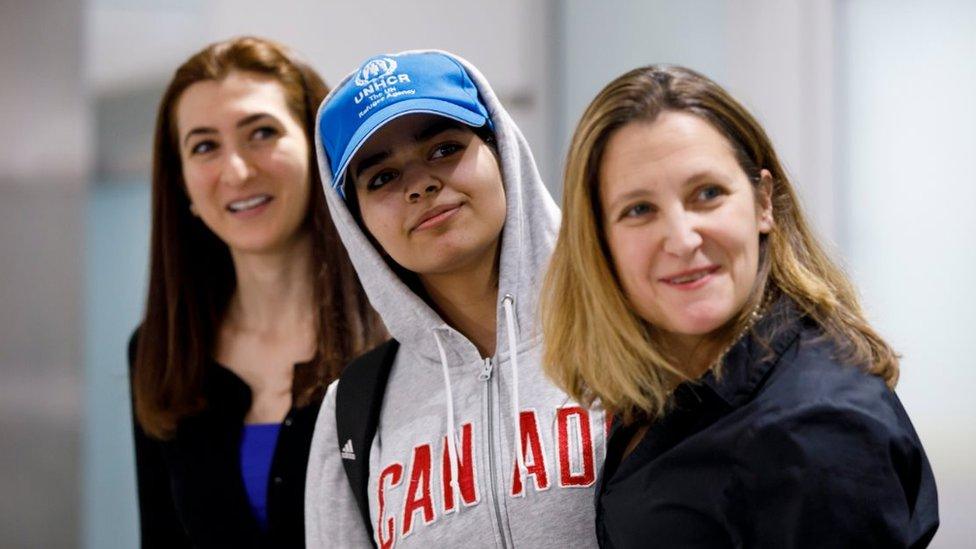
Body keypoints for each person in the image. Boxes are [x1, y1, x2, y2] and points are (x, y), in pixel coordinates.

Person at [542, 64, 939, 548]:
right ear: (600, 241)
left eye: (707, 194)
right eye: (639, 210)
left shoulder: (815, 431)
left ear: (763, 202)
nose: (682, 238)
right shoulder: (670, 381)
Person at [304, 50, 606, 548]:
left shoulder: (622, 320)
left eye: (444, 148)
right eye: (381, 178)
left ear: (500, 149)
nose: (421, 184)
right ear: (355, 221)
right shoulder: (353, 412)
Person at [128, 36, 384, 548]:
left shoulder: (399, 327)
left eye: (261, 133)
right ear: (182, 185)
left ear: (317, 150)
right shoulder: (163, 349)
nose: (238, 171)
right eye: (204, 146)